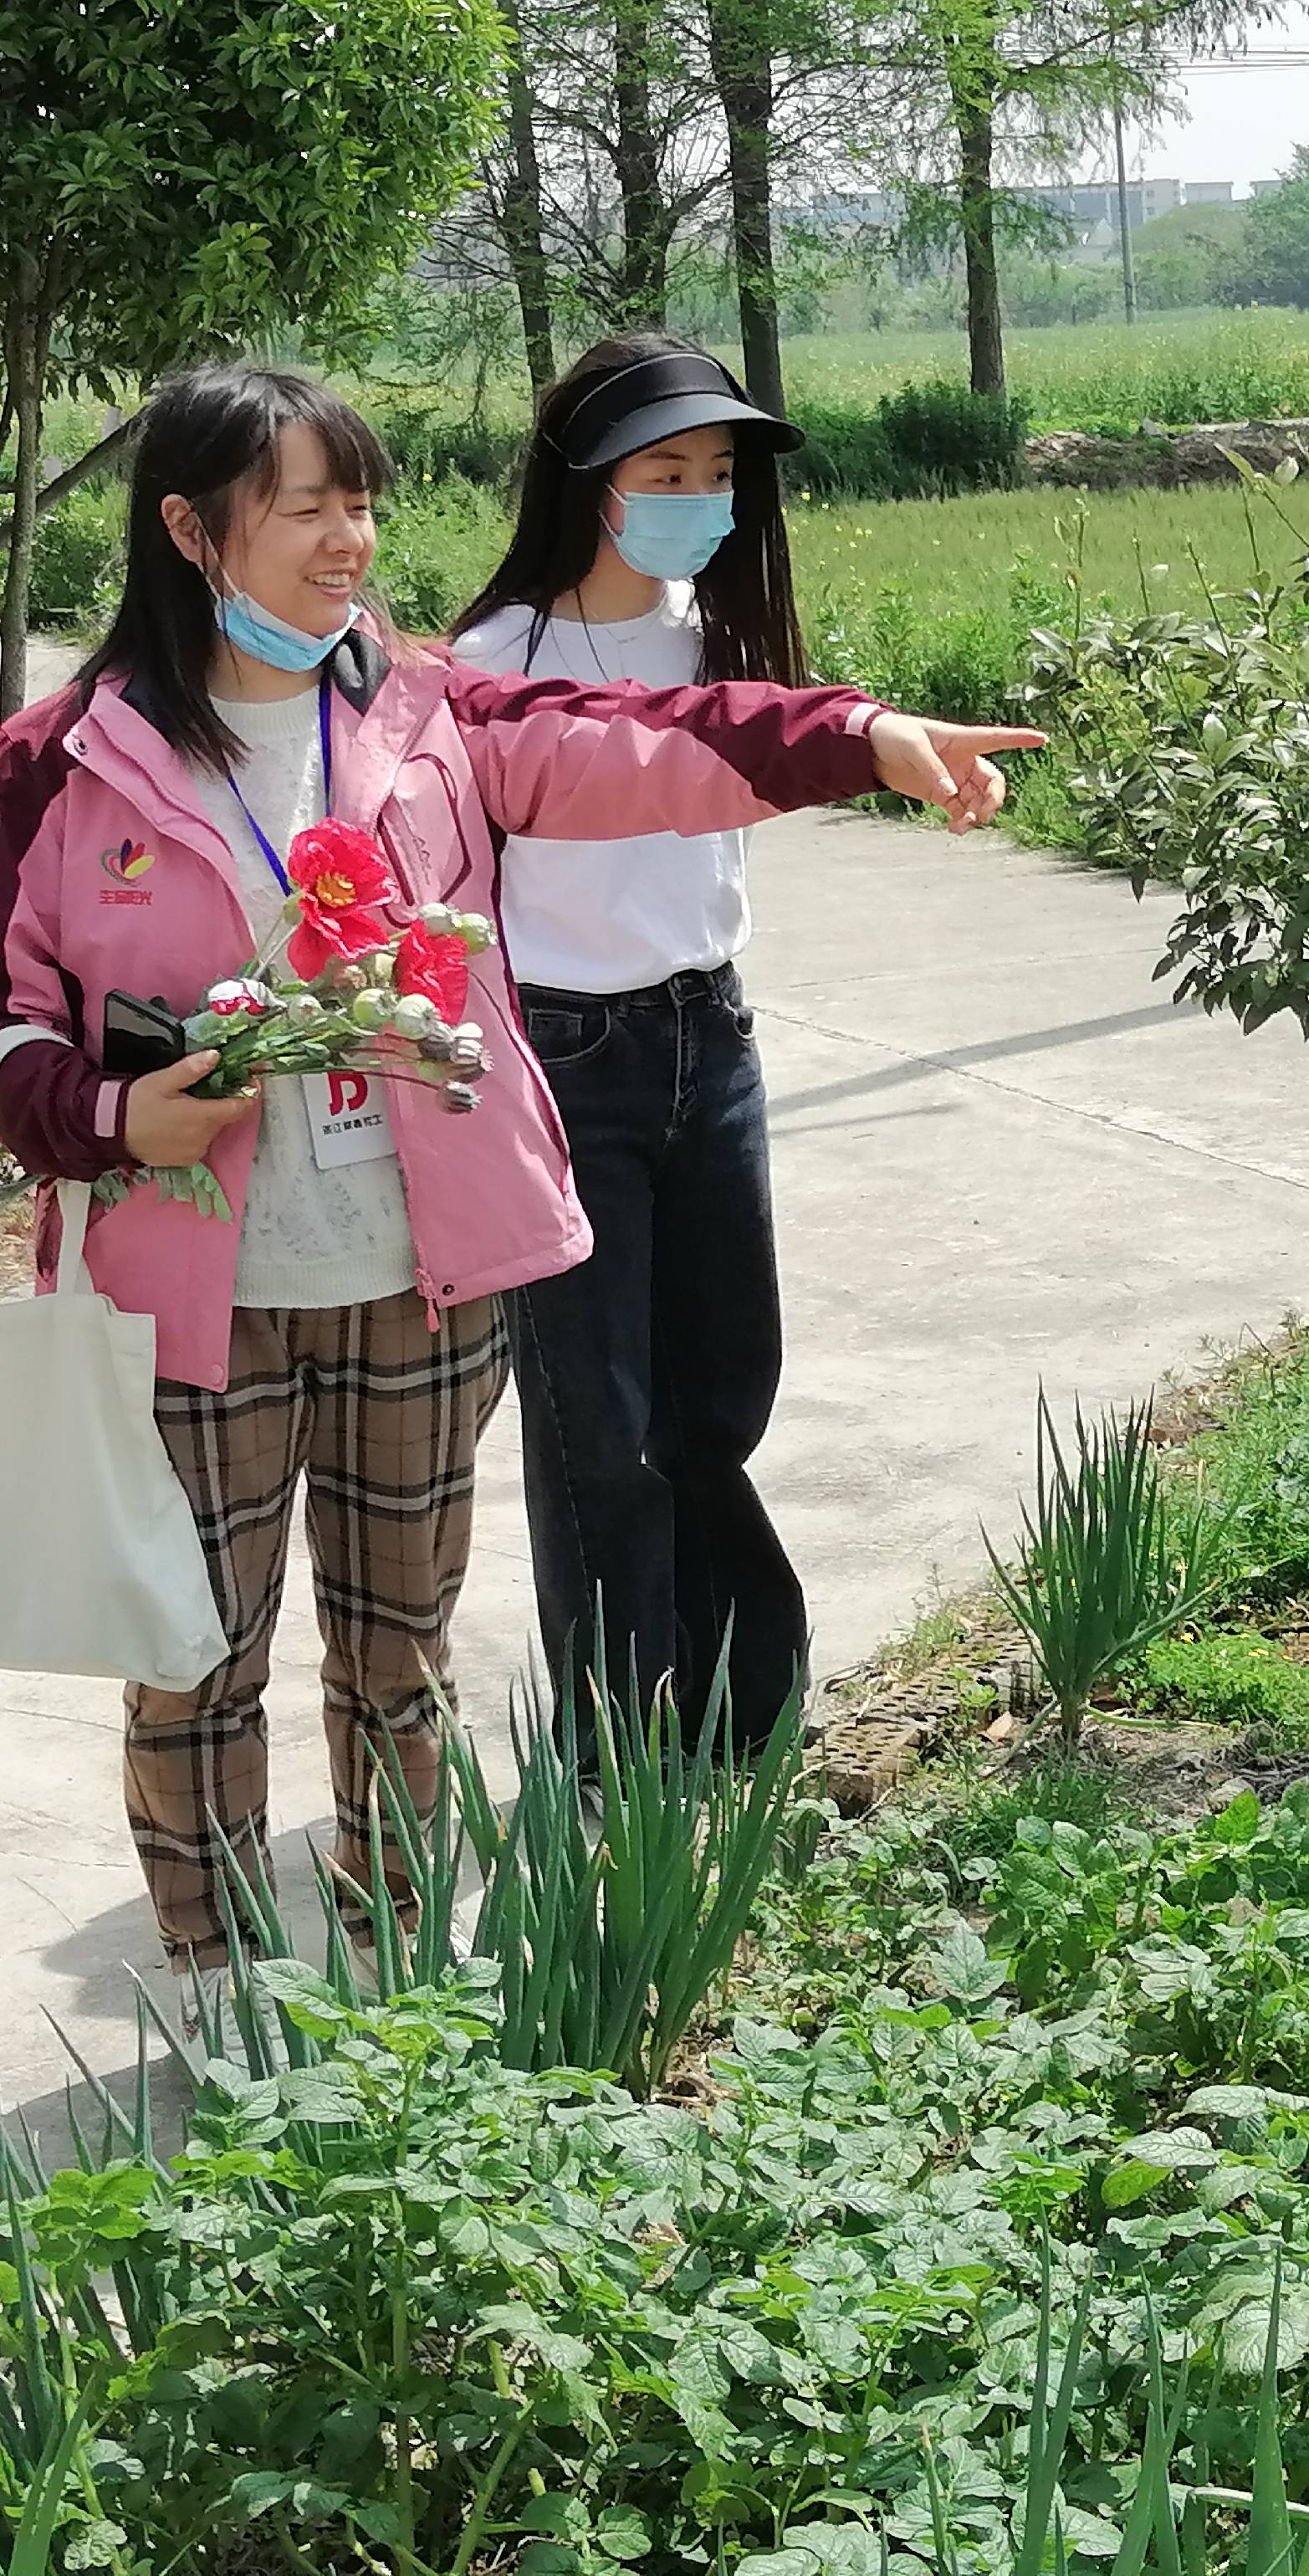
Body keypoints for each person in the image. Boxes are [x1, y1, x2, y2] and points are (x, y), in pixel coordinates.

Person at [0, 361, 1035, 1970]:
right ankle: (221, 1978)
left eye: (360, 503)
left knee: (402, 1652)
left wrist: (860, 736)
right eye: (308, 507)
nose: (349, 542)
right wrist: (102, 1118)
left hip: (414, 1281)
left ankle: (398, 1967)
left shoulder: (424, 710)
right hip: (188, 1293)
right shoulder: (63, 757)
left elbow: (643, 741)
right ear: (190, 527)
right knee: (195, 1652)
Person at [447, 335, 819, 1754]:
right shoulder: (495, 664)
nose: (701, 498)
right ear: (584, 482)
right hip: (563, 1061)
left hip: (708, 1036)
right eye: (667, 470)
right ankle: (622, 1752)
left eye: (718, 474)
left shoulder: (718, 642)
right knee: (596, 1419)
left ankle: (742, 1712)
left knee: (720, 1390)